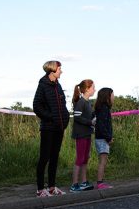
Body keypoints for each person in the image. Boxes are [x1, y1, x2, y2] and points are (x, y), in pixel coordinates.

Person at [32, 60, 70, 197]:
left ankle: (52, 187)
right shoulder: (43, 85)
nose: (61, 71)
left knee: (55, 157)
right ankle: (40, 189)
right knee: (45, 157)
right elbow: (36, 106)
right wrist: (51, 117)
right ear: (52, 70)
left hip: (59, 127)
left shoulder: (57, 85)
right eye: (60, 69)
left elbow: (63, 105)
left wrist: (64, 118)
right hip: (48, 127)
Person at [70, 79, 95, 192]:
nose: (95, 89)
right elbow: (77, 117)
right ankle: (74, 185)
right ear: (87, 89)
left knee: (85, 158)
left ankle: (84, 182)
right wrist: (90, 122)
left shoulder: (87, 102)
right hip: (80, 134)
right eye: (93, 87)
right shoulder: (81, 102)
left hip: (87, 133)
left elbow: (87, 115)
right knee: (80, 159)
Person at [93, 87, 114, 190]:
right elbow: (102, 126)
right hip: (102, 139)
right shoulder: (104, 109)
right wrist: (108, 137)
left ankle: (101, 182)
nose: (113, 97)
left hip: (101, 138)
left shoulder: (100, 108)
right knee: (103, 161)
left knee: (103, 160)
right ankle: (100, 183)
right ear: (107, 97)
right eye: (112, 95)